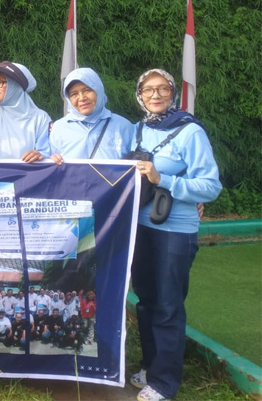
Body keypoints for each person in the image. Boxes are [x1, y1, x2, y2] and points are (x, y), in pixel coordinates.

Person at [129, 69, 221, 401]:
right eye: (148, 89)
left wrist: (164, 179)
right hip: (139, 228)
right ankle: (150, 367)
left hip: (174, 232)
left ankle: (165, 382)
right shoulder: (138, 130)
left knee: (168, 304)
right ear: (139, 94)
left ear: (173, 93)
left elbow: (210, 186)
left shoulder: (190, 131)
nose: (156, 95)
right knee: (146, 302)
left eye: (163, 89)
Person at [50, 67, 134, 164]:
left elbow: (135, 168)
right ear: (68, 98)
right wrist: (50, 160)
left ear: (98, 90)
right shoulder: (59, 128)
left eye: (87, 90)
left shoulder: (123, 126)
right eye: (74, 94)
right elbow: (50, 166)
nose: (81, 98)